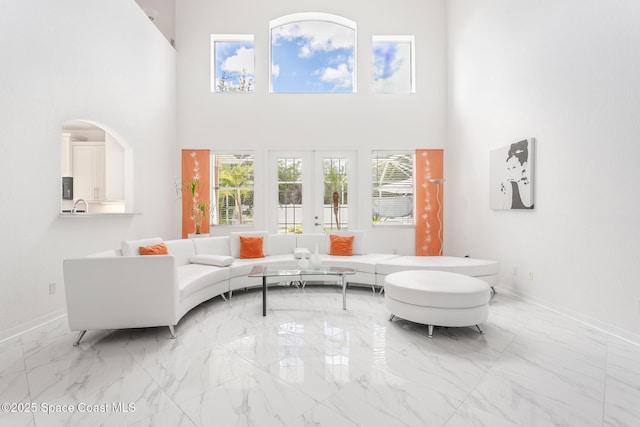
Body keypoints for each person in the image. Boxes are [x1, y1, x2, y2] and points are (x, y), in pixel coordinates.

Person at [499, 139, 534, 209]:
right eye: (508, 168)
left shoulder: (530, 187)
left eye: (514, 167)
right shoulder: (510, 185)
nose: (510, 173)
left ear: (523, 166)